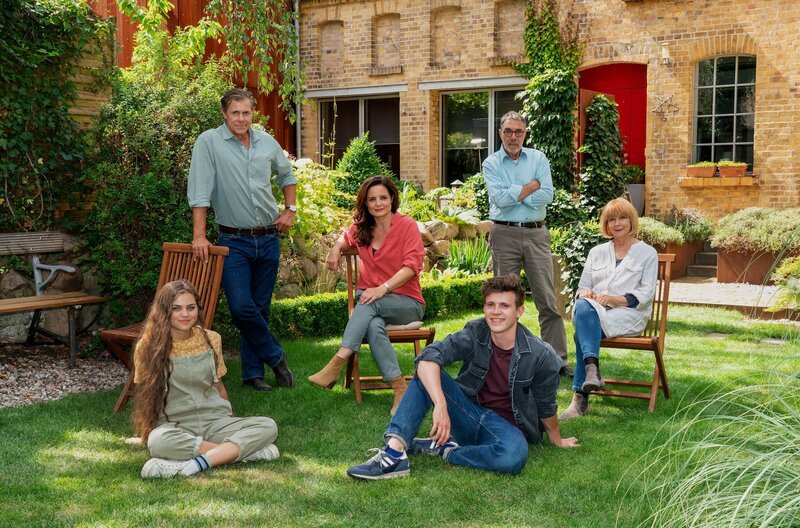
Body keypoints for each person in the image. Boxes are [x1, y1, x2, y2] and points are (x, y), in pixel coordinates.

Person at [346, 274, 578, 480]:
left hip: (507, 429)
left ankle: (446, 449)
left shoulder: (540, 354)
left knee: (513, 455)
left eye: (504, 306)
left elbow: (546, 403)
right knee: (427, 370)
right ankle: (394, 454)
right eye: (490, 305)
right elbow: (428, 357)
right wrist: (440, 404)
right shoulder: (476, 332)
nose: (496, 312)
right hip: (468, 413)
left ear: (519, 311)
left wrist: (556, 439)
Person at [188, 88, 296, 393]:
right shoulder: (209, 142)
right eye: (234, 113)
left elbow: (287, 177)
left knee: (260, 308)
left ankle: (252, 374)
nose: (240, 118)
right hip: (233, 240)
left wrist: (290, 210)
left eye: (246, 112)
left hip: (269, 237)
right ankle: (276, 356)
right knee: (241, 307)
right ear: (224, 114)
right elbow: (199, 191)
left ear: (252, 114)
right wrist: (199, 235)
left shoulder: (266, 142)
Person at [132, 280, 279, 478]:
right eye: (176, 308)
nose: (185, 314)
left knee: (268, 426)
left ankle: (192, 464)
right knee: (158, 441)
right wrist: (145, 433)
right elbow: (147, 396)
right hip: (177, 424)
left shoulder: (212, 339)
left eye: (191, 307)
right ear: (164, 311)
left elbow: (218, 386)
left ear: (198, 309)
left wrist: (230, 420)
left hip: (215, 420)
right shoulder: (147, 347)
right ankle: (240, 452)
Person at [308, 176, 426, 415]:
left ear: (392, 199)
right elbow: (345, 237)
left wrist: (383, 288)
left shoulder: (407, 226)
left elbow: (411, 267)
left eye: (383, 198)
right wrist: (335, 248)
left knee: (367, 302)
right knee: (372, 325)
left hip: (407, 302)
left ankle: (337, 362)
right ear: (365, 203)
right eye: (372, 199)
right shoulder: (362, 228)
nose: (378, 203)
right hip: (371, 301)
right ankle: (399, 387)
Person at [482, 110, 572, 377]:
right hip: (504, 234)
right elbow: (499, 200)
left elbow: (548, 194)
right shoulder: (491, 163)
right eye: (508, 131)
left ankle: (557, 360)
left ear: (525, 133)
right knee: (502, 301)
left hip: (536, 234)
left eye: (518, 132)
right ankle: (503, 358)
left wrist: (516, 193)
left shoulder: (538, 158)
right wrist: (530, 187)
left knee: (547, 299)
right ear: (500, 133)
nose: (513, 137)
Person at [559, 198, 658, 420]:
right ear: (606, 224)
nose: (617, 223)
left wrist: (613, 299)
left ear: (631, 221)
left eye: (622, 218)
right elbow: (582, 287)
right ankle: (591, 370)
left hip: (629, 314)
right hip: (594, 311)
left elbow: (645, 295)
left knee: (582, 331)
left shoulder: (647, 253)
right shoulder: (597, 252)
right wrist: (586, 294)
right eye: (611, 219)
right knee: (583, 307)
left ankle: (580, 398)